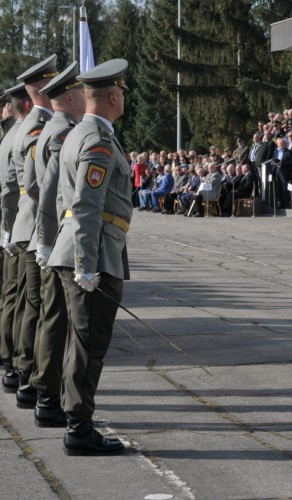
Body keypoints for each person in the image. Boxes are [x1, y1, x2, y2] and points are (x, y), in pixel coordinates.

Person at [47, 58, 132, 455]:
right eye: (123, 92)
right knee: (88, 344)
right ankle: (79, 429)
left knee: (78, 342)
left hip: (85, 251)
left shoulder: (80, 134)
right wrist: (86, 265)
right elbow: (84, 207)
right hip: (93, 255)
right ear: (113, 96)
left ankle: (75, 419)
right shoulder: (97, 140)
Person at [29, 61, 85, 427]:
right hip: (56, 236)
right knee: (55, 319)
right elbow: (47, 192)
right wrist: (48, 240)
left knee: (52, 317)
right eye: (80, 91)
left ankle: (47, 393)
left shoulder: (53, 128)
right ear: (69, 95)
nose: (86, 97)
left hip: (47, 234)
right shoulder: (62, 132)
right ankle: (47, 396)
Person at [3, 54, 57, 405]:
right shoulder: (36, 127)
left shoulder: (17, 130)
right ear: (40, 89)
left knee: (20, 299)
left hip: (19, 224)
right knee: (35, 305)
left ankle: (16, 367)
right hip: (34, 224)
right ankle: (25, 373)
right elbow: (38, 187)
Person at [0, 82, 28, 394]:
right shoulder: (18, 136)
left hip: (10, 226)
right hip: (15, 227)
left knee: (11, 295)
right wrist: (8, 230)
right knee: (16, 297)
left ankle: (9, 359)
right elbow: (10, 190)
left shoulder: (9, 135)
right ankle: (11, 361)